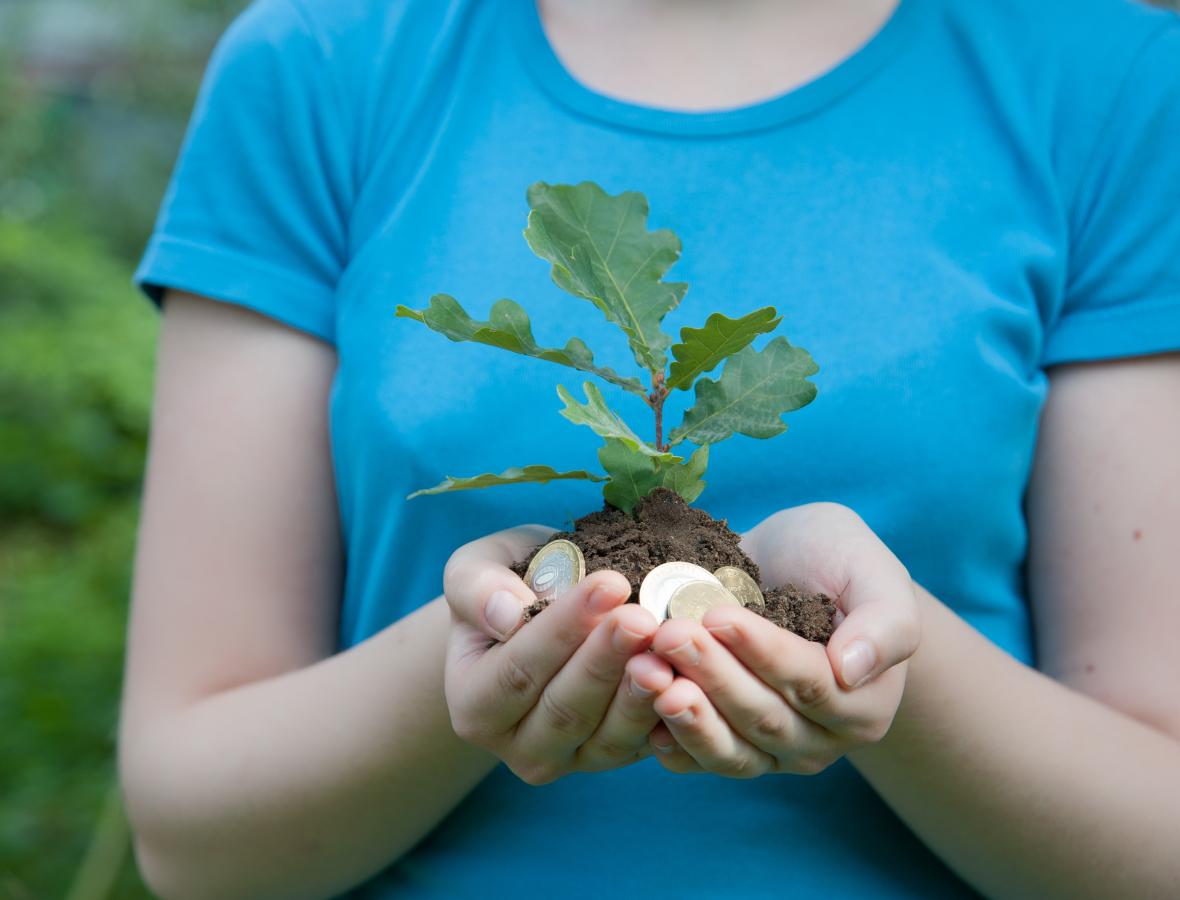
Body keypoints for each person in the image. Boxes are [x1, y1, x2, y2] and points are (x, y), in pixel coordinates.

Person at [118, 0, 1180, 896]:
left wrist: (882, 662)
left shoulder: (1114, 82)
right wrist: (480, 662)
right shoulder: (321, 62)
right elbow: (187, 835)